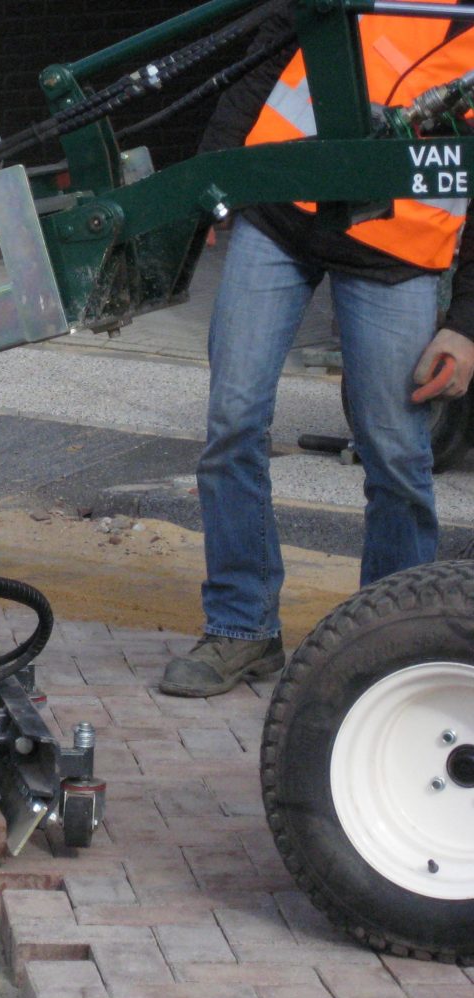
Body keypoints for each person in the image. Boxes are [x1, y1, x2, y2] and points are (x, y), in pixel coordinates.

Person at [160, 1, 474, 697]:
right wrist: (210, 191)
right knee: (233, 421)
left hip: (397, 257)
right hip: (281, 215)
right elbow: (255, 78)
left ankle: (386, 649)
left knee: (396, 455)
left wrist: (467, 323)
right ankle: (242, 629)